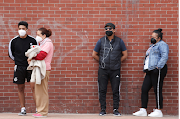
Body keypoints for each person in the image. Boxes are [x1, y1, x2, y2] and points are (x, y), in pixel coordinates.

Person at [92, 23, 128, 116]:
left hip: (115, 70)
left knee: (115, 90)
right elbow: (94, 54)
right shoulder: (101, 41)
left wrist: (117, 62)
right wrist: (101, 61)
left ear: (114, 30)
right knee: (102, 90)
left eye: (110, 29)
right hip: (103, 69)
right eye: (106, 29)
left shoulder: (119, 41)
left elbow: (125, 54)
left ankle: (116, 109)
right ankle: (103, 109)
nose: (108, 30)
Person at [133, 28, 169, 117]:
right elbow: (148, 58)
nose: (152, 38)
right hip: (150, 70)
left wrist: (158, 67)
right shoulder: (152, 46)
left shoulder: (162, 44)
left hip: (158, 69)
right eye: (151, 36)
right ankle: (143, 109)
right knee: (144, 89)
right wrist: (146, 69)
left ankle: (158, 110)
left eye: (154, 37)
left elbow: (164, 56)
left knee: (157, 89)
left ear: (159, 38)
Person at [8, 21, 37, 116]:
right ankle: (23, 109)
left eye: (23, 29)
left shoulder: (33, 40)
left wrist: (30, 61)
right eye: (19, 29)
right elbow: (11, 54)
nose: (21, 30)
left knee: (34, 88)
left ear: (27, 29)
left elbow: (37, 52)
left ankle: (38, 108)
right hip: (19, 67)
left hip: (31, 67)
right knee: (20, 88)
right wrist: (18, 61)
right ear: (18, 29)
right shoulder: (14, 41)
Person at [28, 27, 54, 118]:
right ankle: (40, 110)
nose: (37, 36)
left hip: (44, 69)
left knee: (42, 91)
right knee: (39, 91)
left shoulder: (48, 43)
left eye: (38, 34)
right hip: (40, 69)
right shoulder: (42, 43)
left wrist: (31, 57)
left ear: (44, 35)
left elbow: (41, 56)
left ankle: (42, 112)